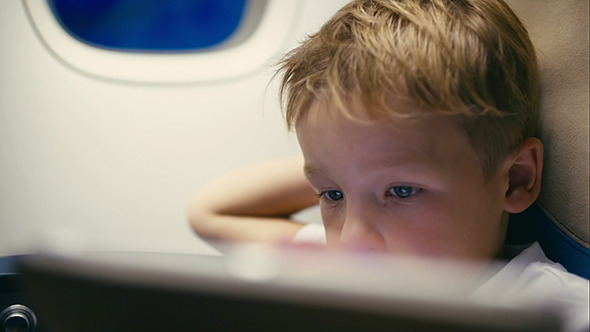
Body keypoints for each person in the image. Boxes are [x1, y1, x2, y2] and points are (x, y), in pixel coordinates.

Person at [188, 0, 588, 330]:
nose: (350, 241)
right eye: (332, 195)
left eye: (401, 191)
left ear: (516, 179)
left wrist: (352, 171)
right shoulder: (358, 267)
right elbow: (211, 212)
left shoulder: (559, 311)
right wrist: (356, 162)